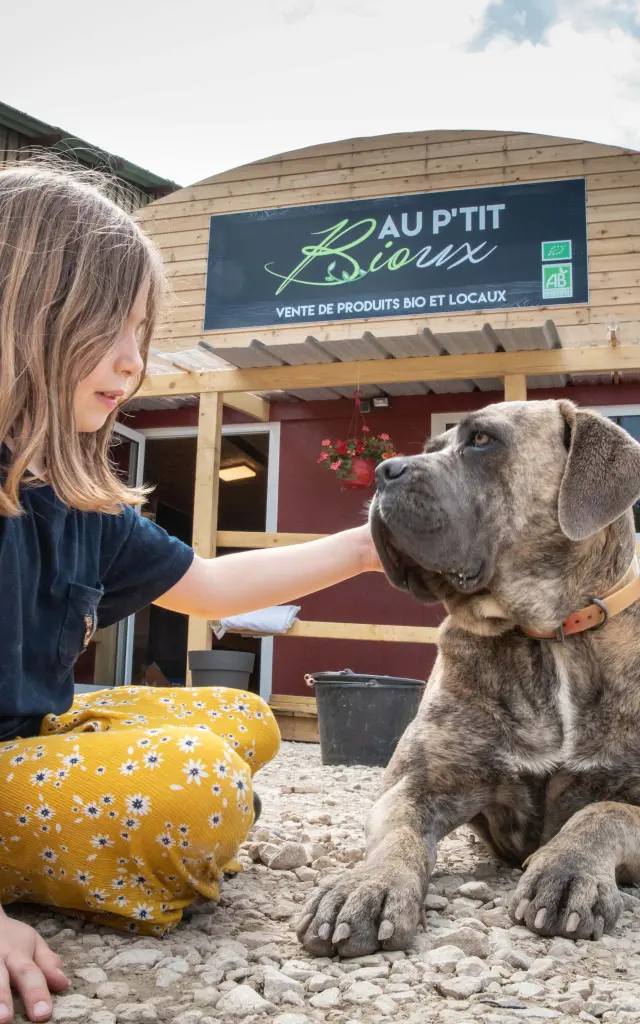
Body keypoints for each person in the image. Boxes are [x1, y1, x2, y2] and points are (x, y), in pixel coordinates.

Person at [0, 163, 382, 1024]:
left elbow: (211, 585)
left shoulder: (75, 494)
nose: (135, 362)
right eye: (109, 328)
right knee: (193, 792)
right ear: (19, 314)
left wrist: (366, 548)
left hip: (24, 742)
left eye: (141, 330)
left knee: (239, 720)